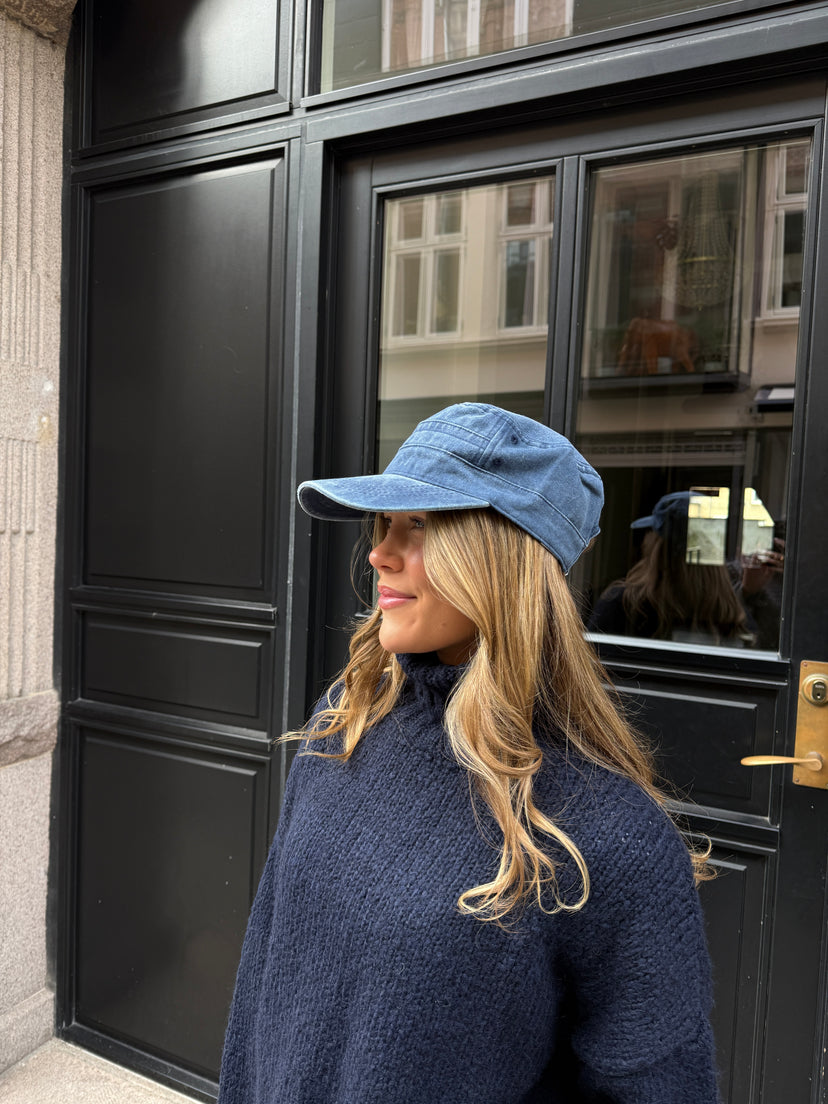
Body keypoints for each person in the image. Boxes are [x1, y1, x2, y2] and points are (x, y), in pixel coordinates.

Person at [218, 403, 721, 1104]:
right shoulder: (347, 721)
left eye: (420, 525)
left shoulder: (609, 836)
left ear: (498, 558)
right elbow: (264, 982)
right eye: (383, 523)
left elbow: (657, 1086)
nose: (379, 553)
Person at [588, 490, 755, 646]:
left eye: (651, 532)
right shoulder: (735, 618)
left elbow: (591, 659)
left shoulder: (624, 605)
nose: (645, 539)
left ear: (659, 549)